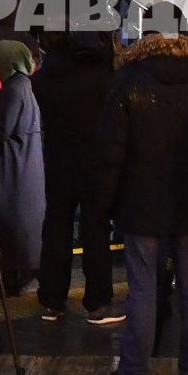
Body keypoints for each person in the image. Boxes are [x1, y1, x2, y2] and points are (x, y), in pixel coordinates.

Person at [90, 30, 188, 375]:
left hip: (142, 200)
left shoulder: (127, 81)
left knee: (143, 287)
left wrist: (105, 201)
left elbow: (111, 149)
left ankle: (134, 372)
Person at [32, 31, 122, 324]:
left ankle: (52, 300)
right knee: (95, 229)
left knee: (56, 226)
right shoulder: (103, 76)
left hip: (58, 159)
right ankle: (97, 303)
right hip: (96, 163)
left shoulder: (48, 75)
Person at [0, 39, 45, 295]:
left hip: (12, 167)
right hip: (25, 165)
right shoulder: (25, 87)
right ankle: (23, 272)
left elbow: (1, 129)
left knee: (12, 221)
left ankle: (17, 275)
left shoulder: (12, 89)